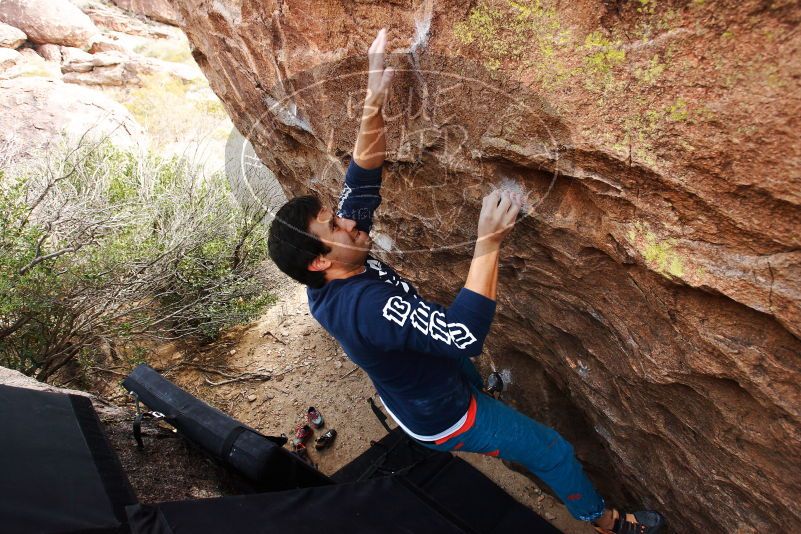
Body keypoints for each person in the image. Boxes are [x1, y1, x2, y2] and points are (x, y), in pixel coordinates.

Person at [267, 28, 664, 534]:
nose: (348, 221)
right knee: (550, 448)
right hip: (444, 416)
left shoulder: (331, 264)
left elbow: (363, 173)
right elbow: (464, 335)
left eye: (336, 215)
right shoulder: (367, 307)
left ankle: (484, 397)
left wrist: (373, 98)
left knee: (463, 370)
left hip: (422, 381)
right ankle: (607, 521)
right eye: (335, 225)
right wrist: (488, 241)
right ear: (321, 261)